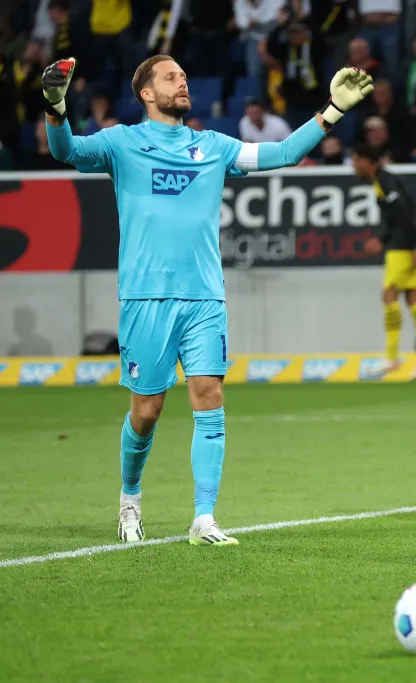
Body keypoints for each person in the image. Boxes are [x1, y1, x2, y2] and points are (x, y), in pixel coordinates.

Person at [42, 55, 373, 545]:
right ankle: (130, 500)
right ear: (147, 94)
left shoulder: (212, 147)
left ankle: (204, 517)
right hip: (145, 297)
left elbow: (281, 153)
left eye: (183, 75)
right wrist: (55, 107)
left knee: (209, 397)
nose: (183, 82)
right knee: (147, 411)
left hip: (203, 297)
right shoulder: (121, 143)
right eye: (171, 77)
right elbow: (66, 150)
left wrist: (332, 111)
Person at [351, 142, 416, 379]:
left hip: (405, 247)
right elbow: (404, 212)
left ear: (368, 162)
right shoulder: (383, 180)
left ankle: (391, 358)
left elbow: (404, 212)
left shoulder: (385, 181)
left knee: (389, 295)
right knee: (413, 298)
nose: (353, 166)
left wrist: (401, 244)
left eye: (356, 160)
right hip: (414, 244)